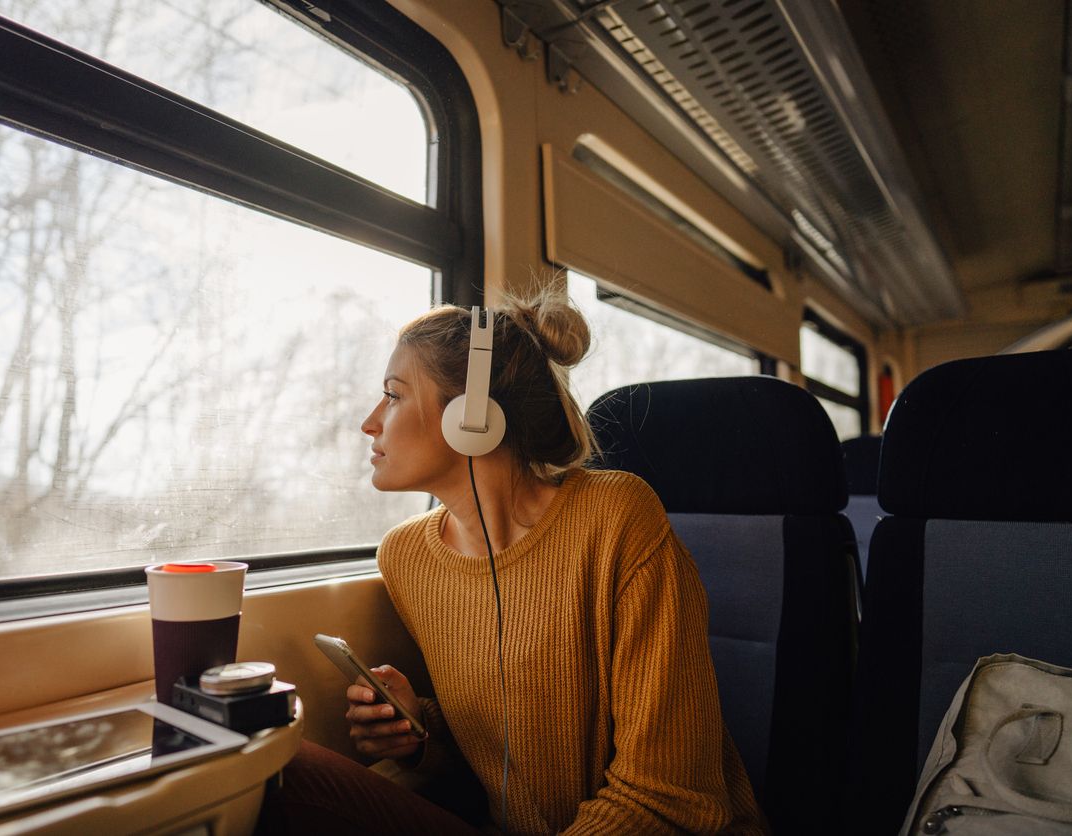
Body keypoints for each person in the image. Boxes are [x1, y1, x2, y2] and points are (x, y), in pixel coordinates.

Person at [261, 289, 765, 835]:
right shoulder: (405, 557)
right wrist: (420, 735)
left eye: (393, 396)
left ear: (470, 416)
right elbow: (505, 761)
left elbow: (670, 797)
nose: (370, 422)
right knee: (283, 771)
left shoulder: (616, 516)